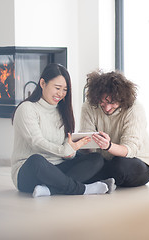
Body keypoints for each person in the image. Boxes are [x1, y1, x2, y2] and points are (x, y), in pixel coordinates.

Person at [11, 63, 111, 197]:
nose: (61, 93)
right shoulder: (27, 108)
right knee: (37, 161)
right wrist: (64, 150)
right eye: (57, 88)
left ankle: (50, 190)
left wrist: (72, 150)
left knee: (96, 159)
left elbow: (66, 146)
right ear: (42, 83)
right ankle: (82, 189)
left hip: (58, 166)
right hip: (30, 172)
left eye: (65, 89)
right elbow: (36, 142)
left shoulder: (62, 111)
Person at [80, 70, 149, 189]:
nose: (107, 107)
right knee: (85, 160)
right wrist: (80, 145)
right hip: (105, 160)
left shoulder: (135, 109)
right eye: (102, 102)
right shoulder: (89, 106)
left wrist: (108, 146)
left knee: (119, 165)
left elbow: (129, 150)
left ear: (122, 99)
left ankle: (91, 181)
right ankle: (98, 181)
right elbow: (87, 142)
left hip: (135, 161)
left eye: (112, 102)